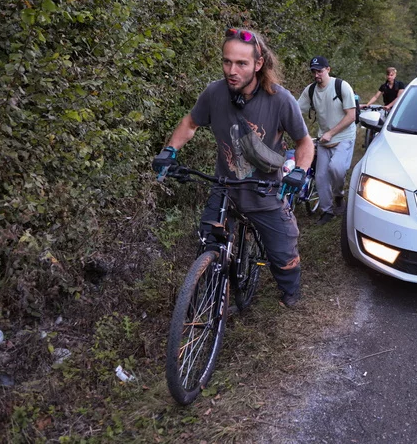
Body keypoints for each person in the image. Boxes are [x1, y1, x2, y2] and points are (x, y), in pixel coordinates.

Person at [151, 28, 314, 308]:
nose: (232, 70)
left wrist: (300, 170)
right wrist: (170, 151)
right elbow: (190, 124)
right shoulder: (215, 92)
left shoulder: (279, 99)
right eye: (227, 61)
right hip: (225, 187)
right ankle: (210, 289)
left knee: (282, 253)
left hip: (265, 192)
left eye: (241, 63)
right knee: (208, 240)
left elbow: (304, 142)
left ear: (258, 64)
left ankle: (290, 290)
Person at [297, 56, 357, 225]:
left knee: (336, 168)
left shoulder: (341, 86)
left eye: (320, 71)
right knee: (321, 177)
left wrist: (331, 132)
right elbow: (295, 110)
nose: (317, 75)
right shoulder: (310, 91)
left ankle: (338, 195)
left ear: (328, 69)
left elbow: (351, 116)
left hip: (344, 137)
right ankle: (327, 211)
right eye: (314, 71)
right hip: (324, 140)